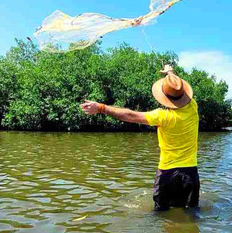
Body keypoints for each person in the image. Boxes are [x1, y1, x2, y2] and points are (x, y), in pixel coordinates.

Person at [80, 65, 200, 211]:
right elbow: (177, 87)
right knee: (191, 214)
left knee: (161, 215)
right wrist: (170, 73)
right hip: (191, 173)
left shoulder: (162, 116)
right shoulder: (193, 106)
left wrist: (101, 108)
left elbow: (130, 115)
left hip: (167, 173)